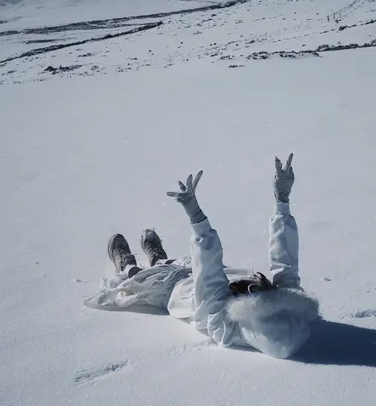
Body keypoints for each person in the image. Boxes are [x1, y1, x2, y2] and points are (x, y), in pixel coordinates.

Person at [85, 154, 319, 359]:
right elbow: (285, 263)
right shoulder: (292, 308)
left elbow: (209, 275)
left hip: (176, 291)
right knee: (181, 264)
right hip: (219, 275)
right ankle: (159, 258)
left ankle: (128, 264)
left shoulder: (223, 324)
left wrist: (197, 218)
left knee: (141, 278)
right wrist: (282, 201)